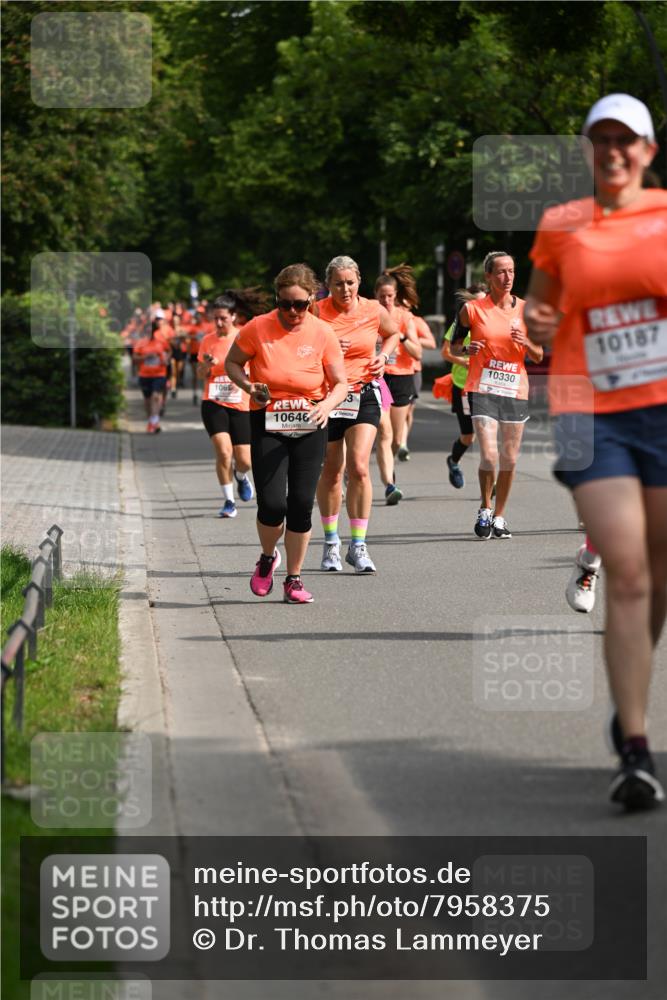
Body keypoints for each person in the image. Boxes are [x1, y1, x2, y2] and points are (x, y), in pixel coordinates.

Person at [524, 93, 667, 810]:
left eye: (626, 141)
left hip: (663, 411)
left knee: (658, 576)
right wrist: (539, 320)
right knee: (628, 568)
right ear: (586, 150)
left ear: (646, 150)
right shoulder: (562, 225)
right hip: (590, 415)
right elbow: (538, 316)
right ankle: (635, 750)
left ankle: (628, 691)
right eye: (599, 140)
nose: (612, 151)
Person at [225, 263, 348, 603]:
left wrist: (326, 406)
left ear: (312, 298)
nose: (293, 311)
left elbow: (340, 384)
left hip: (310, 424)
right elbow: (232, 364)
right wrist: (250, 386)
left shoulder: (322, 332)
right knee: (272, 503)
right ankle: (267, 557)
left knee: (300, 504)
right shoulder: (257, 328)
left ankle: (294, 578)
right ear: (277, 299)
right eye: (285, 304)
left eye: (300, 304)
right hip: (268, 422)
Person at [314, 255, 401, 572]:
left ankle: (359, 545)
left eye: (350, 282)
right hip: (327, 398)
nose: (345, 289)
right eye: (338, 283)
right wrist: (329, 344)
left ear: (359, 282)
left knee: (360, 467)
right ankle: (331, 542)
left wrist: (384, 356)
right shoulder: (316, 312)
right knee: (332, 471)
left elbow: (393, 334)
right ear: (328, 285)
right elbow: (301, 343)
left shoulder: (373, 310)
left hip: (363, 393)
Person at [451, 252, 543, 538]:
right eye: (501, 272)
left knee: (510, 459)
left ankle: (500, 516)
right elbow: (453, 348)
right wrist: (467, 350)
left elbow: (539, 356)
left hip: (515, 390)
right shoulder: (471, 310)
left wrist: (526, 342)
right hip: (483, 388)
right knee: (489, 456)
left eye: (512, 271)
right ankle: (485, 506)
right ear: (489, 277)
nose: (508, 277)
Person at [198, 292, 254, 518]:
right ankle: (229, 501)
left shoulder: (244, 337)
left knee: (245, 460)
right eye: (216, 319)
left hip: (241, 403)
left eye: (223, 318)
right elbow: (201, 374)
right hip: (213, 401)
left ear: (234, 316)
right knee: (223, 451)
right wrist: (206, 365)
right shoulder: (207, 341)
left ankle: (240, 476)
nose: (219, 323)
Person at [374, 266, 423, 504]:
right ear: (376, 296)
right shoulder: (369, 315)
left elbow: (418, 352)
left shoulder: (405, 317)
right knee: (385, 432)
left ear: (396, 295)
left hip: (402, 377)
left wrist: (401, 336)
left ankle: (389, 469)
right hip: (379, 378)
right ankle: (389, 483)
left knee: (395, 439)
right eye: (382, 296)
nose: (386, 300)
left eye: (390, 296)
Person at [441, 284, 487, 488]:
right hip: (463, 386)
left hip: (487, 385)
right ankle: (453, 461)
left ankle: (489, 482)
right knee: (469, 436)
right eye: (476, 301)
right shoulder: (460, 323)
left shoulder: (492, 323)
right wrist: (465, 360)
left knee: (488, 434)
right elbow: (446, 352)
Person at [134, 319, 171, 433]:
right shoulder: (140, 343)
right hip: (144, 374)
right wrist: (145, 357)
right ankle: (153, 421)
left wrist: (166, 359)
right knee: (147, 400)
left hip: (159, 373)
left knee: (156, 396)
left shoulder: (161, 341)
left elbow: (169, 351)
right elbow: (134, 359)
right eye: (147, 329)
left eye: (151, 329)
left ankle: (154, 421)